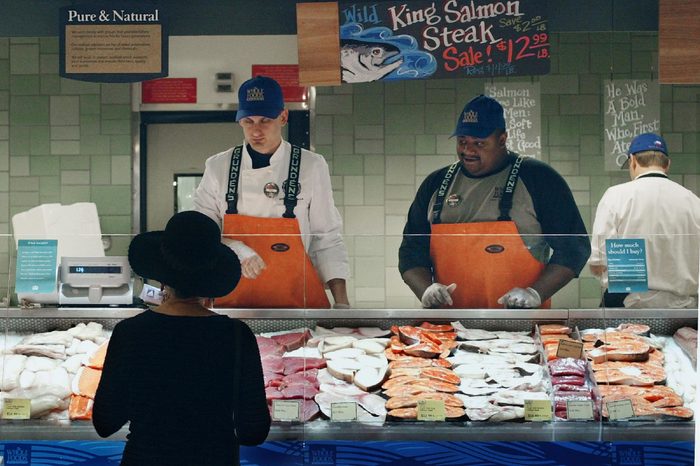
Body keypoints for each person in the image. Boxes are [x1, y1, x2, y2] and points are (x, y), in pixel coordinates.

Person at [93, 211, 271, 465]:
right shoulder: (236, 336)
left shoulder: (130, 333)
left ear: (162, 276)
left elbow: (105, 422)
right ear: (211, 278)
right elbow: (253, 431)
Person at [399, 95, 590, 309]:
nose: (468, 150)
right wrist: (426, 290)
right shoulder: (436, 183)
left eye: (479, 143)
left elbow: (575, 248)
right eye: (462, 142)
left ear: (502, 140)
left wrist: (536, 293)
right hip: (448, 331)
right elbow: (411, 252)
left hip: (521, 326)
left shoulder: (539, 178)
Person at [193, 75, 349, 308]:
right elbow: (200, 234)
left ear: (283, 117)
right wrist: (238, 249)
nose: (256, 130)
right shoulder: (218, 167)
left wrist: (342, 305)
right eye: (248, 121)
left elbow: (326, 236)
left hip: (297, 303)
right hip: (233, 303)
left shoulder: (311, 165)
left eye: (265, 120)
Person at [589, 133, 700, 308]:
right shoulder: (693, 202)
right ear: (667, 164)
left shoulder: (616, 196)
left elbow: (598, 262)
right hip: (684, 310)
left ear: (632, 161)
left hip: (628, 306)